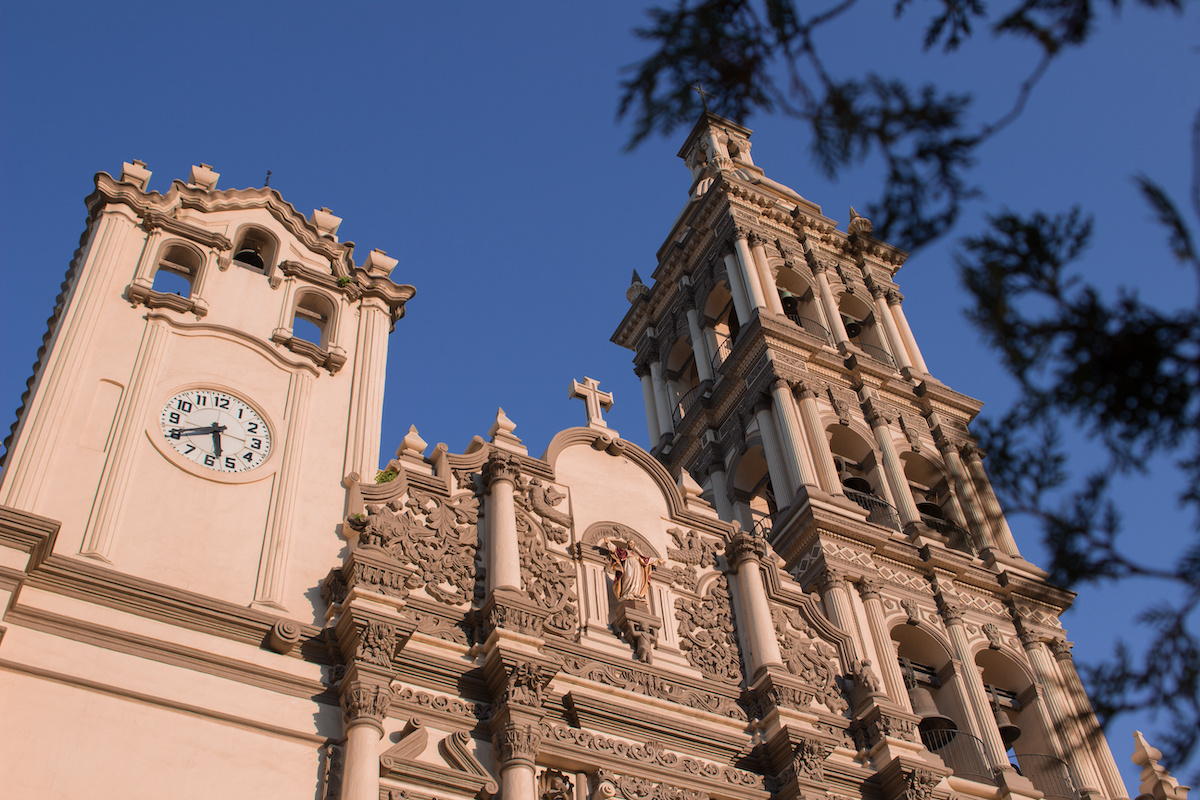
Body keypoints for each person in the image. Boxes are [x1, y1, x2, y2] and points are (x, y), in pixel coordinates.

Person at [599, 537, 665, 602]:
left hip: (637, 568)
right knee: (629, 576)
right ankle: (627, 592)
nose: (632, 545)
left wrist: (657, 560)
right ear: (627, 544)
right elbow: (616, 549)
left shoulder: (637, 555)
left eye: (633, 544)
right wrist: (608, 543)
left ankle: (635, 593)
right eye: (630, 543)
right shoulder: (625, 552)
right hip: (628, 566)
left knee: (637, 580)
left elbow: (647, 560)